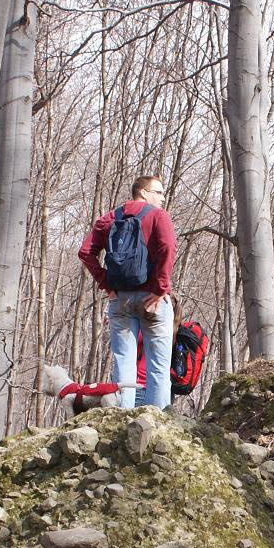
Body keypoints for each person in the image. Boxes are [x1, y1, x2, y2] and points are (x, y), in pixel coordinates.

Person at [78, 175, 177, 409]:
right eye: (159, 192)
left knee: (123, 364)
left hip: (119, 299)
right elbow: (168, 247)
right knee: (159, 367)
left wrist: (107, 285)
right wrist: (160, 288)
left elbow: (85, 252)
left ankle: (123, 420)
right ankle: (157, 423)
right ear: (143, 192)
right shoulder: (157, 216)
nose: (163, 197)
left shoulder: (110, 218)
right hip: (152, 300)